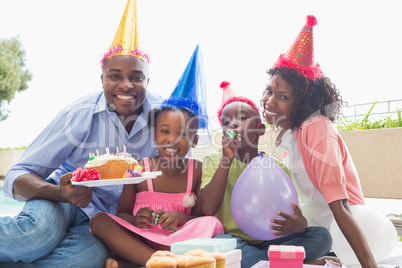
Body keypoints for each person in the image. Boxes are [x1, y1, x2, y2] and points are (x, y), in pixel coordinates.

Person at [0, 1, 163, 266]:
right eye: (115, 76)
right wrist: (60, 194)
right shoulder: (78, 115)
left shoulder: (166, 119)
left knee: (84, 260)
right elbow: (17, 175)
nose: (126, 85)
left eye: (136, 77)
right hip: (60, 200)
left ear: (148, 81)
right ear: (101, 80)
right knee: (33, 238)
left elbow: (179, 175)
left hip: (107, 222)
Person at [90, 45, 224, 267]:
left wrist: (182, 218)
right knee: (100, 220)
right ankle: (158, 262)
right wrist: (136, 219)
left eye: (182, 134)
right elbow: (122, 214)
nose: (172, 140)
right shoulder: (138, 169)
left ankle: (146, 263)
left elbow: (200, 217)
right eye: (165, 132)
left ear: (195, 141)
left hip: (178, 240)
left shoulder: (197, 170)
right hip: (142, 239)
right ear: (154, 136)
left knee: (211, 222)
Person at [260, 15, 377, 267]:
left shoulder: (316, 129)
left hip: (345, 232)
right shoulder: (292, 133)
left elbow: (341, 206)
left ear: (302, 102)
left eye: (282, 97)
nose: (269, 101)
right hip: (317, 231)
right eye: (269, 90)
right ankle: (322, 260)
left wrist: (370, 265)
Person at [199, 81, 335, 268]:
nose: (233, 124)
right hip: (233, 240)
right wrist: (226, 160)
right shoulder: (214, 161)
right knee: (219, 245)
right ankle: (289, 263)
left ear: (260, 129)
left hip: (273, 241)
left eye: (242, 118)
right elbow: (207, 208)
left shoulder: (277, 166)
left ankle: (263, 262)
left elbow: (295, 217)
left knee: (321, 236)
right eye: (226, 122)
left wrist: (299, 225)